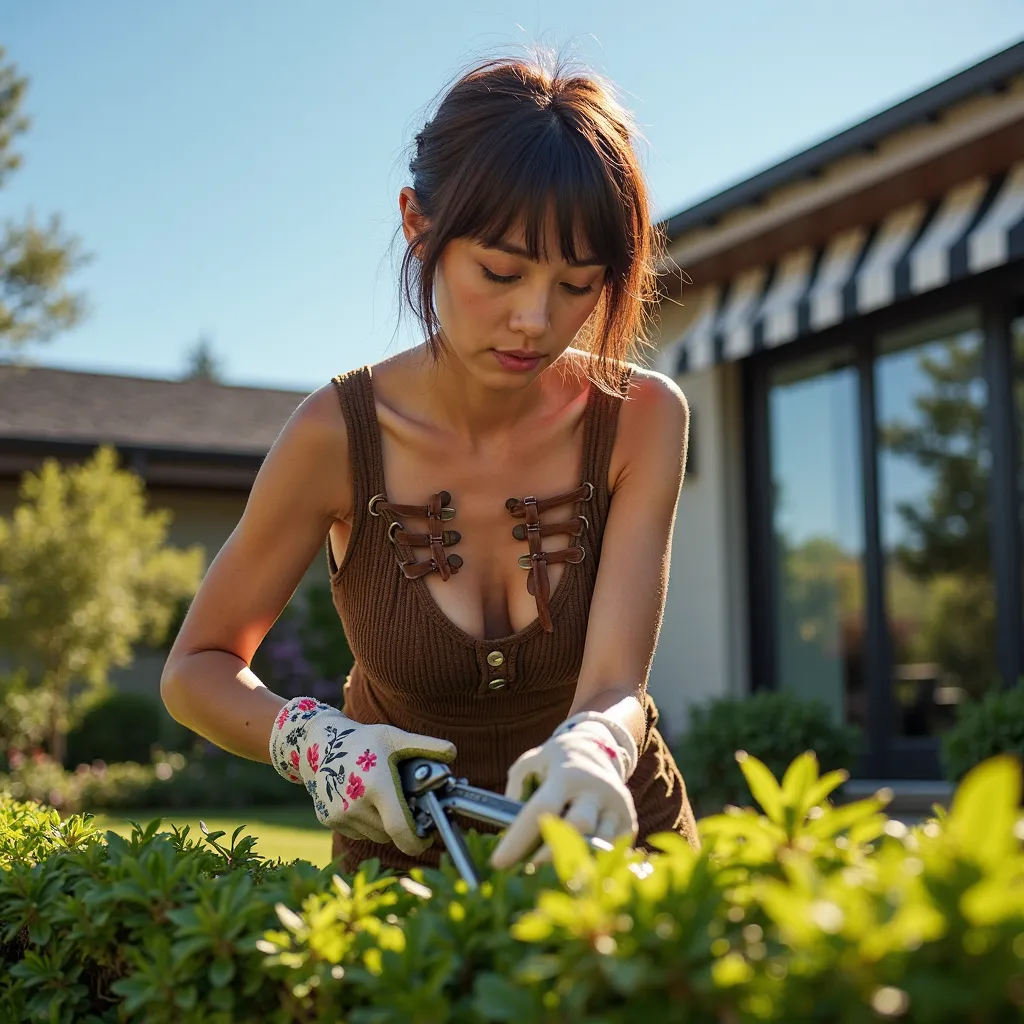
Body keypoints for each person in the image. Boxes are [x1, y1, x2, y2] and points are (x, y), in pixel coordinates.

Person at [160, 50, 700, 878]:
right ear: (418, 224)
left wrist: (594, 744)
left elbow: (612, 684)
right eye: (500, 271)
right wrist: (318, 744)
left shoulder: (642, 419)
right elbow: (194, 670)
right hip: (400, 862)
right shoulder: (335, 435)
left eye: (577, 284)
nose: (535, 319)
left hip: (611, 840)